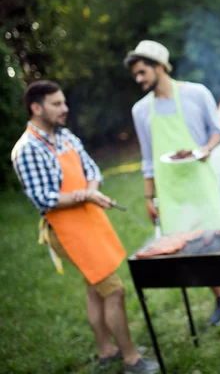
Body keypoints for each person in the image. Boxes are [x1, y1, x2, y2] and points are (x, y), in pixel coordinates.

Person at [124, 40, 220, 325]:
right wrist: (150, 198)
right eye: (135, 74)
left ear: (160, 66)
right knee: (191, 245)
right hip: (170, 189)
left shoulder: (195, 93)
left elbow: (217, 132)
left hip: (200, 179)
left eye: (142, 71)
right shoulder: (140, 110)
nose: (138, 79)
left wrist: (204, 150)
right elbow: (148, 159)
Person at [11, 80, 159, 374]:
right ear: (36, 108)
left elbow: (91, 169)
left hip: (88, 220)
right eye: (56, 104)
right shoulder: (26, 149)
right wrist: (84, 195)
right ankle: (130, 359)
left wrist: (91, 189)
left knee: (95, 288)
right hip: (65, 229)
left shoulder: (64, 135)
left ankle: (106, 350)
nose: (65, 109)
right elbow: (44, 198)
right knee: (113, 290)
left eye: (64, 102)